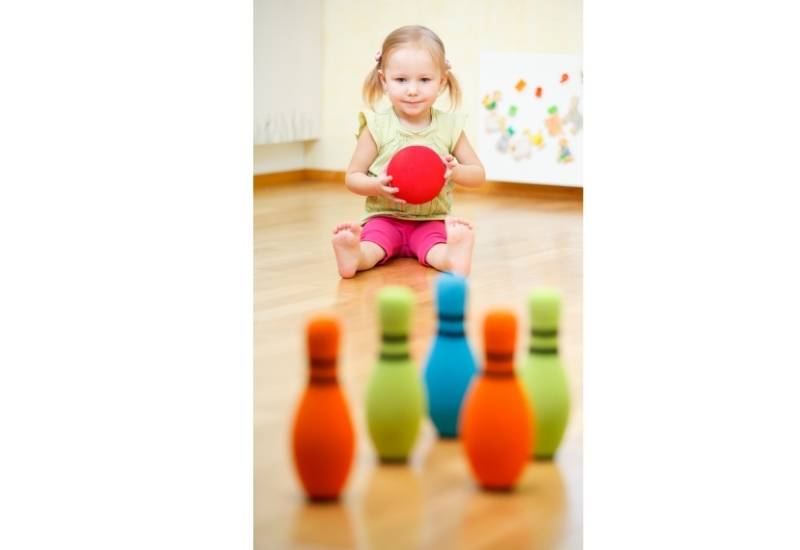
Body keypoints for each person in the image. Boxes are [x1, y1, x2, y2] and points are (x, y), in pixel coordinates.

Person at [332, 25, 485, 279]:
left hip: (431, 219)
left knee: (435, 248)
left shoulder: (450, 127)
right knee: (374, 246)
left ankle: (452, 258)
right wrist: (375, 185)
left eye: (424, 80)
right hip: (385, 217)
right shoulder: (377, 127)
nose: (412, 90)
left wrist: (456, 171)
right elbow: (353, 177)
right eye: (401, 80)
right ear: (384, 80)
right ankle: (355, 256)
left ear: (441, 81)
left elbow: (479, 175)